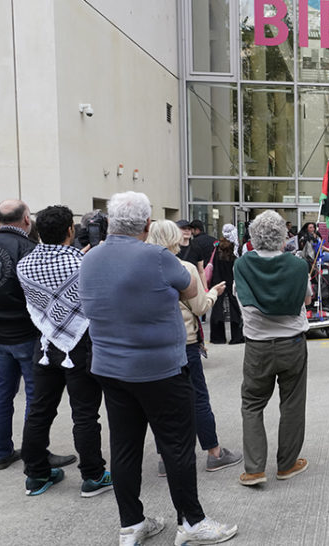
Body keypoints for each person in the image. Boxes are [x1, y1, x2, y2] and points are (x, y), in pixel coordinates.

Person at [80, 191, 237, 545]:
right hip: (160, 369)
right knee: (177, 448)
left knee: (124, 448)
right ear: (147, 224)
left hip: (109, 368)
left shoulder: (89, 259)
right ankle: (191, 522)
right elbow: (192, 291)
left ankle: (131, 524)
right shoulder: (157, 258)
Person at [16, 205, 111, 497]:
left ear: (38, 231)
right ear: (71, 230)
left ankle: (36, 474)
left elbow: (40, 303)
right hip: (80, 343)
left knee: (39, 410)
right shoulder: (84, 263)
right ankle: (93, 475)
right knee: (84, 413)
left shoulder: (25, 264)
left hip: (45, 344)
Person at [146, 220, 244, 478]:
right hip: (185, 342)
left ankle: (165, 459)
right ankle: (214, 453)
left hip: (153, 345)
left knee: (161, 403)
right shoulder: (184, 268)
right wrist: (212, 293)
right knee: (198, 398)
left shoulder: (140, 268)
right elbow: (200, 307)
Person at [234, 211, 311, 487]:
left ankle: (254, 468)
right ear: (283, 237)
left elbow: (239, 297)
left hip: (257, 344)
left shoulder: (242, 265)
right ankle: (287, 464)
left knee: (252, 403)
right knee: (292, 403)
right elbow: (306, 298)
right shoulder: (298, 265)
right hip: (292, 342)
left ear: (253, 239)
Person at [0, 199, 76, 472]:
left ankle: (1, 451)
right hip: (26, 333)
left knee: (1, 394)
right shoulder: (29, 251)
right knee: (38, 398)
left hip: (0, 336)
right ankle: (37, 455)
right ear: (27, 220)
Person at [210, 227, 245, 345]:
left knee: (217, 307)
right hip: (233, 278)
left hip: (218, 277)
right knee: (235, 307)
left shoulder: (217, 246)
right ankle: (237, 336)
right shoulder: (236, 248)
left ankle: (217, 337)